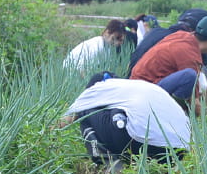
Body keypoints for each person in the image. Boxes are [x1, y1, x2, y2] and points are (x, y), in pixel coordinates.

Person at [58, 71, 191, 167]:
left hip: (142, 145)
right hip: (178, 152)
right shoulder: (139, 88)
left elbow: (66, 120)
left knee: (84, 113)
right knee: (119, 118)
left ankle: (108, 163)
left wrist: (47, 134)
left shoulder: (101, 86)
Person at [130, 15, 207, 114]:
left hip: (137, 86)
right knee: (188, 76)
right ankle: (173, 114)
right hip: (145, 93)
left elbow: (202, 80)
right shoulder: (189, 53)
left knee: (192, 76)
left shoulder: (182, 36)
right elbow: (194, 102)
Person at [127, 8, 207, 76]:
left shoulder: (155, 32)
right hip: (148, 88)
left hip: (132, 81)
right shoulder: (180, 43)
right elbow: (198, 79)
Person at [64, 19, 134, 70]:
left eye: (121, 41)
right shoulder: (96, 46)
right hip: (71, 72)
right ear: (107, 33)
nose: (117, 43)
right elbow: (82, 70)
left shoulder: (108, 47)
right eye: (115, 38)